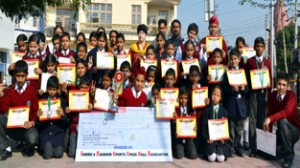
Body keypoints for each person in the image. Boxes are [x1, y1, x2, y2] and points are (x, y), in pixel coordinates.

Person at [0, 60, 39, 160]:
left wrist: (32, 122)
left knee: (32, 138)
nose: (20, 79)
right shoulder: (10, 90)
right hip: (14, 127)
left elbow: (35, 111)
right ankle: (7, 148)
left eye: (22, 76)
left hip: (27, 127)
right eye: (18, 76)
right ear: (14, 75)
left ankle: (28, 146)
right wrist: (1, 96)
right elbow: (3, 110)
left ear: (27, 75)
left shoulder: (32, 91)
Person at [263, 72, 300, 168]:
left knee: (283, 121)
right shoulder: (272, 96)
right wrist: (268, 134)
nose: (281, 87)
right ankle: (283, 149)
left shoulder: (291, 96)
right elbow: (270, 113)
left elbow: (286, 112)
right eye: (279, 84)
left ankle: (288, 158)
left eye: (284, 85)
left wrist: (270, 119)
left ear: (288, 86)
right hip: (280, 131)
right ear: (276, 84)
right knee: (268, 154)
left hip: (294, 131)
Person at [245, 37, 272, 157]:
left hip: (263, 94)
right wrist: (247, 95)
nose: (259, 48)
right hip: (253, 94)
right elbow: (245, 78)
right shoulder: (250, 62)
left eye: (261, 46)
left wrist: (269, 97)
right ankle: (252, 148)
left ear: (264, 48)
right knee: (252, 120)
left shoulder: (267, 63)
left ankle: (261, 147)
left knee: (261, 120)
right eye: (257, 46)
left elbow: (270, 81)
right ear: (254, 47)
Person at [221, 49, 248, 157]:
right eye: (231, 59)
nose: (233, 61)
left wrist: (243, 88)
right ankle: (231, 147)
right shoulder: (227, 73)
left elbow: (248, 90)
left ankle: (238, 147)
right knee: (231, 128)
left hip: (240, 105)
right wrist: (232, 89)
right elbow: (223, 89)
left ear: (239, 59)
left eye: (235, 59)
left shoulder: (243, 72)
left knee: (239, 129)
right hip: (231, 105)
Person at [37, 76, 67, 159]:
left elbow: (65, 122)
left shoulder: (62, 101)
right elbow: (38, 123)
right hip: (46, 132)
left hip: (58, 132)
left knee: (58, 154)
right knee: (48, 155)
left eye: (54, 89)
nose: (51, 92)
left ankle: (53, 147)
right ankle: (45, 147)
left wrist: (62, 115)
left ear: (57, 89)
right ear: (47, 89)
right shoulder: (42, 100)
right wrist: (38, 116)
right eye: (50, 89)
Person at [202, 86, 229, 162]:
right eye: (213, 94)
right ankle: (212, 150)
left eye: (217, 95)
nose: (215, 97)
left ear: (220, 98)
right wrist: (207, 139)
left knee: (221, 159)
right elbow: (204, 127)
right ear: (211, 95)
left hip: (220, 140)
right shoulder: (206, 111)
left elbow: (226, 128)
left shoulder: (224, 112)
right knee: (211, 158)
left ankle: (219, 149)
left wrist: (224, 139)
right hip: (210, 139)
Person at [173, 86, 197, 159]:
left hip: (189, 136)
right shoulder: (176, 109)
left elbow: (194, 122)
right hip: (179, 136)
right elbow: (173, 124)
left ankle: (187, 149)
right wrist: (174, 120)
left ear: (188, 99)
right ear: (178, 98)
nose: (183, 100)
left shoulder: (191, 109)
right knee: (179, 155)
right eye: (181, 98)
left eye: (185, 98)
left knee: (193, 155)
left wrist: (195, 127)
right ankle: (180, 148)